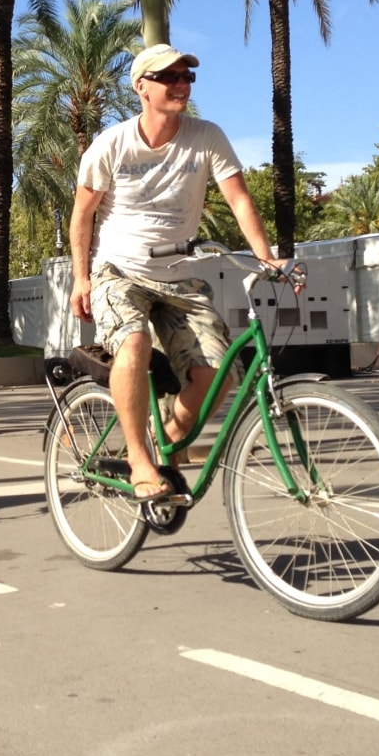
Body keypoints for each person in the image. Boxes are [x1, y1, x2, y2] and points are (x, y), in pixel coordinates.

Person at [70, 43, 286, 503]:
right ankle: (139, 460)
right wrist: (81, 277)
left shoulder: (207, 136)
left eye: (187, 76)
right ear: (142, 88)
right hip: (120, 269)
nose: (181, 84)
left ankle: (162, 439)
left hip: (180, 277)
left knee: (218, 378)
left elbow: (239, 199)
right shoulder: (111, 145)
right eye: (169, 77)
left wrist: (267, 257)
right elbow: (82, 216)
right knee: (134, 342)